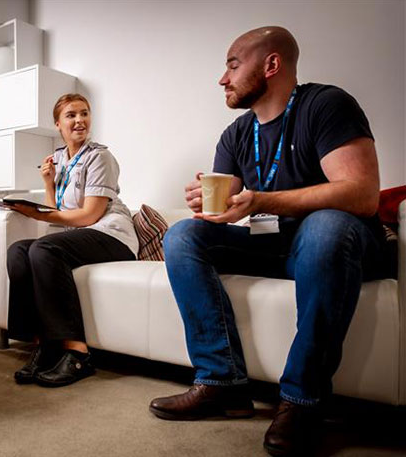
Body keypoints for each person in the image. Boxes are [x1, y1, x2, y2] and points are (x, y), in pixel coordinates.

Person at [148, 27, 387, 456]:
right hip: (277, 245)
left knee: (326, 225)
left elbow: (363, 194)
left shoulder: (327, 105)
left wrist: (263, 199)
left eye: (233, 64)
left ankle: (303, 400)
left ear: (271, 65)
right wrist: (207, 202)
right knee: (184, 233)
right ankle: (222, 384)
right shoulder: (237, 134)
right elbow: (230, 208)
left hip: (339, 246)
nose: (223, 78)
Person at [6, 94, 138, 387]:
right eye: (71, 115)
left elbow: (90, 215)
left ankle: (77, 352)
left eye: (84, 113)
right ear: (58, 124)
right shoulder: (60, 159)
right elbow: (57, 211)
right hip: (82, 235)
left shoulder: (100, 156)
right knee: (18, 251)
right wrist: (48, 183)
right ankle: (44, 344)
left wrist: (37, 216)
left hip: (112, 235)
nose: (79, 120)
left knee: (44, 248)